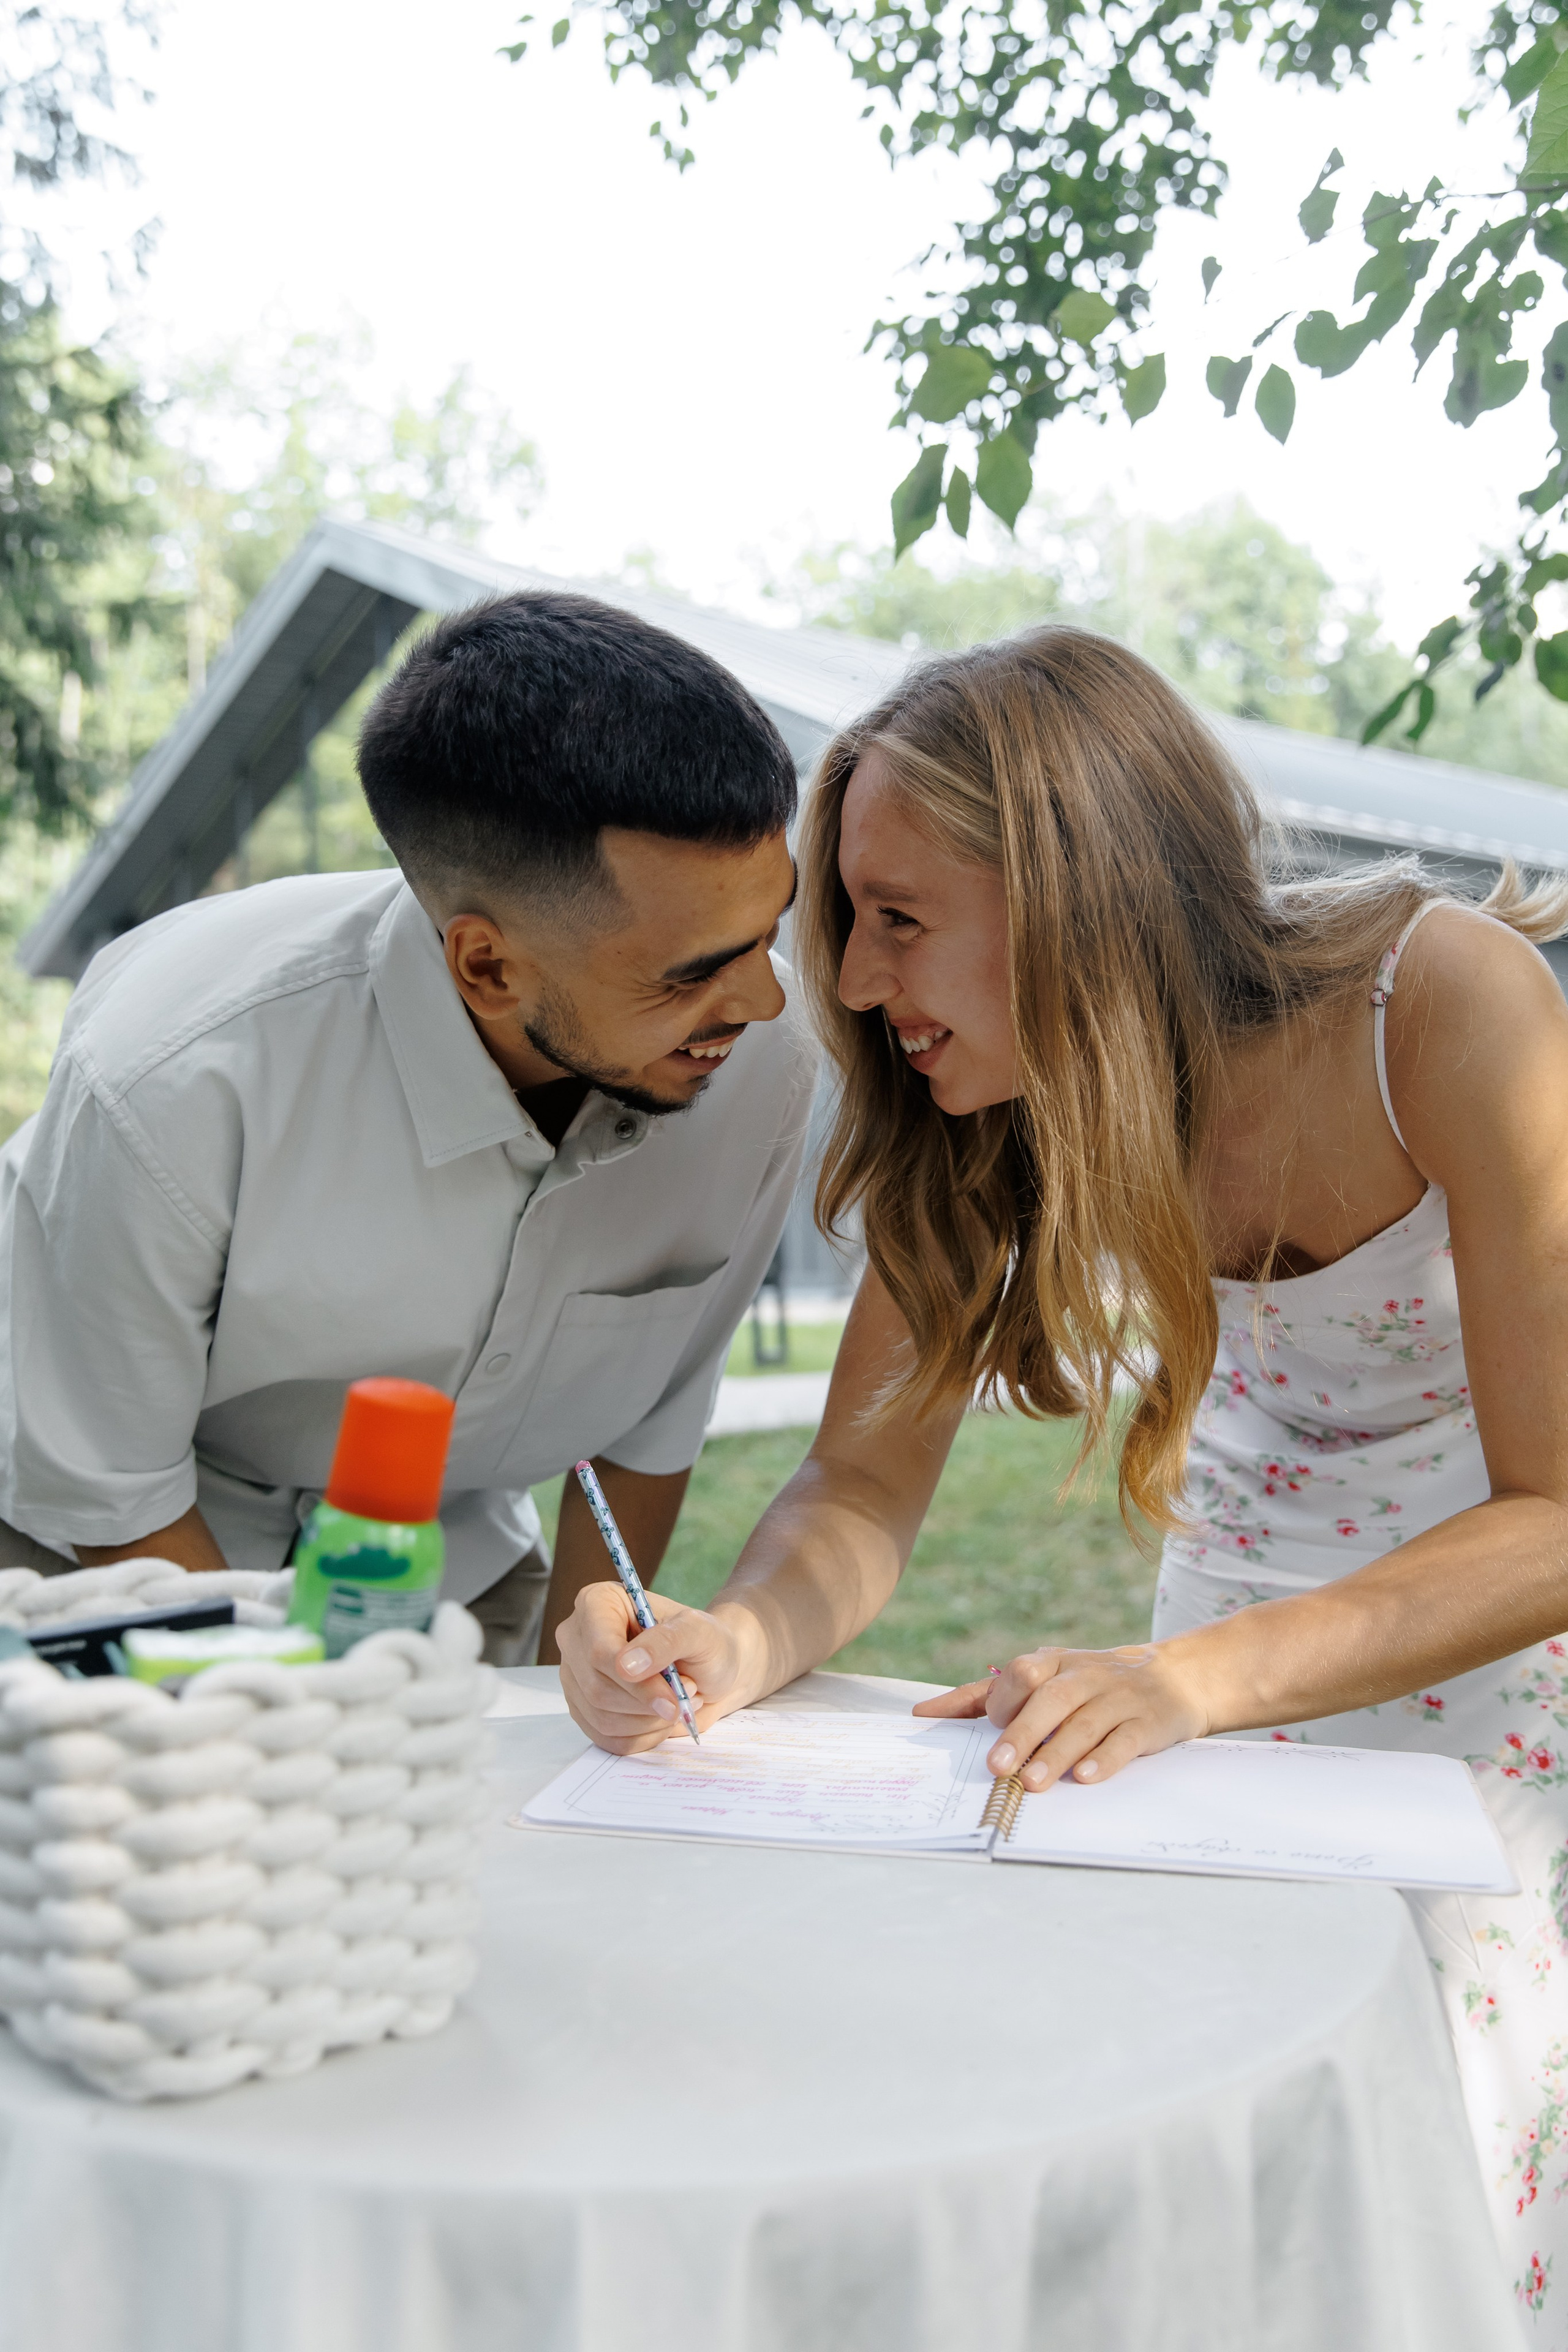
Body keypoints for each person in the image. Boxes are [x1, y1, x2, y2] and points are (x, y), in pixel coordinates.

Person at [558, 625, 1568, 2334]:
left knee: (1455, 2149)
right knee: (1211, 2116)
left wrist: (1191, 1686)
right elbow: (861, 1491)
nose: (860, 989)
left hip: (1494, 1629)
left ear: (1075, 887)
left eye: (896, 919)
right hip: (1218, 1629)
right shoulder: (980, 1103)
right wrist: (733, 1641)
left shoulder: (1441, 1002)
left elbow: (1558, 1512)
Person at [0, 589, 815, 1666]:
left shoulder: (768, 1060)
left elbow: (650, 1429)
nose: (761, 1000)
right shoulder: (172, 1070)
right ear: (487, 965)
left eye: (766, 932)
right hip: (94, 1560)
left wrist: (585, 1697)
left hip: (447, 1569)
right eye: (697, 971)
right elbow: (106, 1492)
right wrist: (300, 1725)